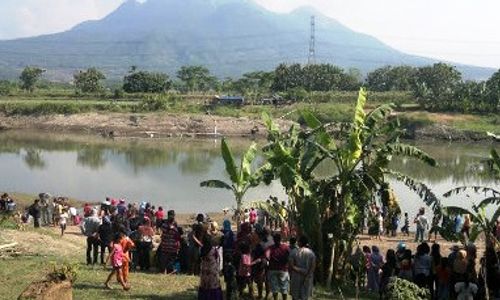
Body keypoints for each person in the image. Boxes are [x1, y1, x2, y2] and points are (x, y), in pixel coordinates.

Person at [289, 236, 316, 300]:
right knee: (304, 297)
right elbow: (313, 266)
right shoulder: (311, 253)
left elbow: (291, 265)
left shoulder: (294, 252)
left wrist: (298, 270)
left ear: (300, 243)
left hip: (296, 276)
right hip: (307, 276)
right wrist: (307, 274)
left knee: (295, 296)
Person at [267, 233, 290, 300]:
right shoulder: (286, 247)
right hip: (283, 269)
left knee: (274, 288)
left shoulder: (270, 248)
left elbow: (267, 256)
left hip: (272, 269)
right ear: (280, 239)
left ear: (274, 240)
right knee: (284, 287)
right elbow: (289, 257)